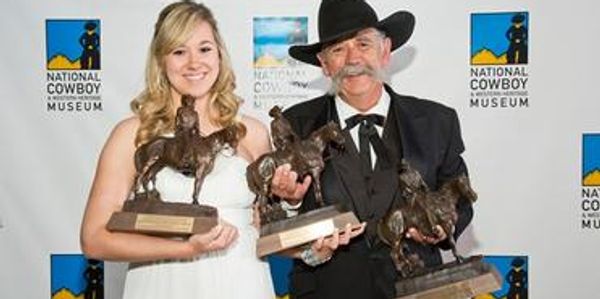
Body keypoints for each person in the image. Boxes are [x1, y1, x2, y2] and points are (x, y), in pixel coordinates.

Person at [270, 0, 474, 298]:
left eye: (363, 44)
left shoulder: (436, 122)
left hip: (416, 289)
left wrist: (442, 229)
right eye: (338, 49)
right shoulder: (295, 124)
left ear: (385, 51)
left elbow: (460, 199)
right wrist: (289, 203)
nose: (353, 58)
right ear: (325, 64)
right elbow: (275, 221)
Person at [79, 1, 274, 298]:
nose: (194, 63)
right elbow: (94, 239)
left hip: (242, 284)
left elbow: (266, 229)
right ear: (161, 60)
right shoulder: (132, 134)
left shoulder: (252, 133)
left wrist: (314, 248)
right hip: (162, 285)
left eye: (205, 49)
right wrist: (185, 248)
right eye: (179, 51)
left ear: (219, 54)